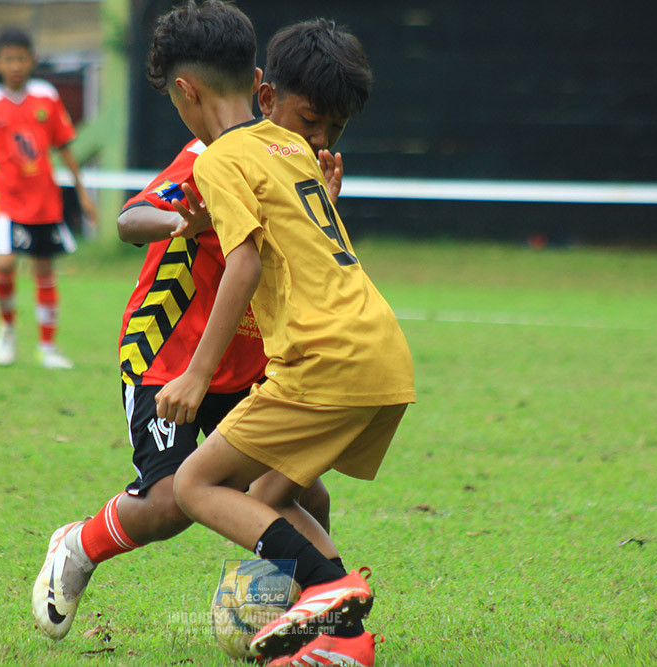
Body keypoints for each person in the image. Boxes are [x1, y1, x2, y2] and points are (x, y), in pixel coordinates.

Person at [29, 16, 363, 644]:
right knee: (167, 504)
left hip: (247, 361)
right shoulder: (211, 158)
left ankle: (306, 608)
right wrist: (188, 220)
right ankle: (78, 546)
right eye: (312, 122)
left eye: (331, 130)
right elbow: (132, 219)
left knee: (302, 493)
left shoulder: (292, 166)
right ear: (263, 93)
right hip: (171, 359)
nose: (319, 139)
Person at [153, 3, 414, 664]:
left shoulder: (221, 158)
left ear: (186, 92)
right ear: (258, 83)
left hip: (325, 359)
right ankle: (344, 640)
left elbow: (242, 263)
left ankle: (328, 586)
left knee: (194, 485)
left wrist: (198, 373)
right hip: (379, 351)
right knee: (269, 494)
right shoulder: (292, 148)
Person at [0, 28, 97, 369]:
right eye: (9, 59)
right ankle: (7, 328)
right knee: (5, 263)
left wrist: (82, 191)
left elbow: (65, 146)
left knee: (44, 270)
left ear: (32, 60)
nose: (15, 65)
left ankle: (47, 346)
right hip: (7, 200)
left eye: (21, 58)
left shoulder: (46, 96)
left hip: (44, 200)